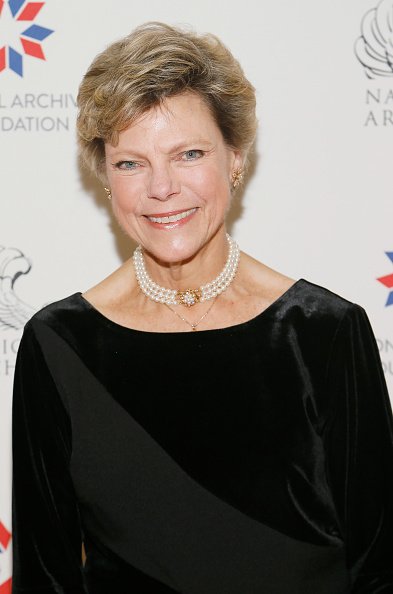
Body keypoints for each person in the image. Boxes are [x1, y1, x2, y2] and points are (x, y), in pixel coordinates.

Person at [11, 21, 393, 594]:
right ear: (105, 178)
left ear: (235, 158)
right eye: (131, 162)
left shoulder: (324, 332)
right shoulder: (58, 346)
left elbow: (381, 567)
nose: (161, 187)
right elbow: (48, 577)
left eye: (188, 154)